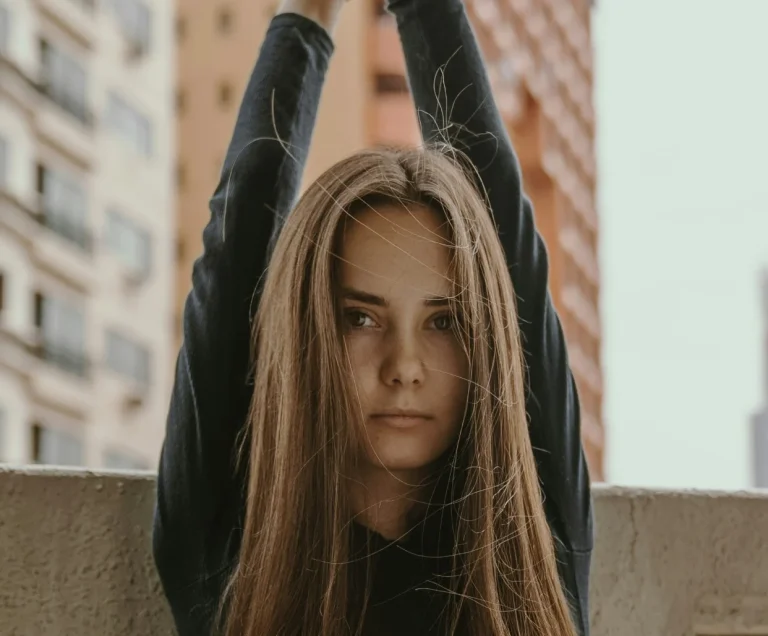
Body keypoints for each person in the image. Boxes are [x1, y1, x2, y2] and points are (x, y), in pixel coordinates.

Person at [152, 0, 593, 632]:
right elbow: (240, 232)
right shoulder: (227, 553)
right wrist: (307, 16)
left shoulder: (531, 553)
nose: (404, 367)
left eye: (444, 321)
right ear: (309, 334)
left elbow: (499, 222)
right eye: (360, 318)